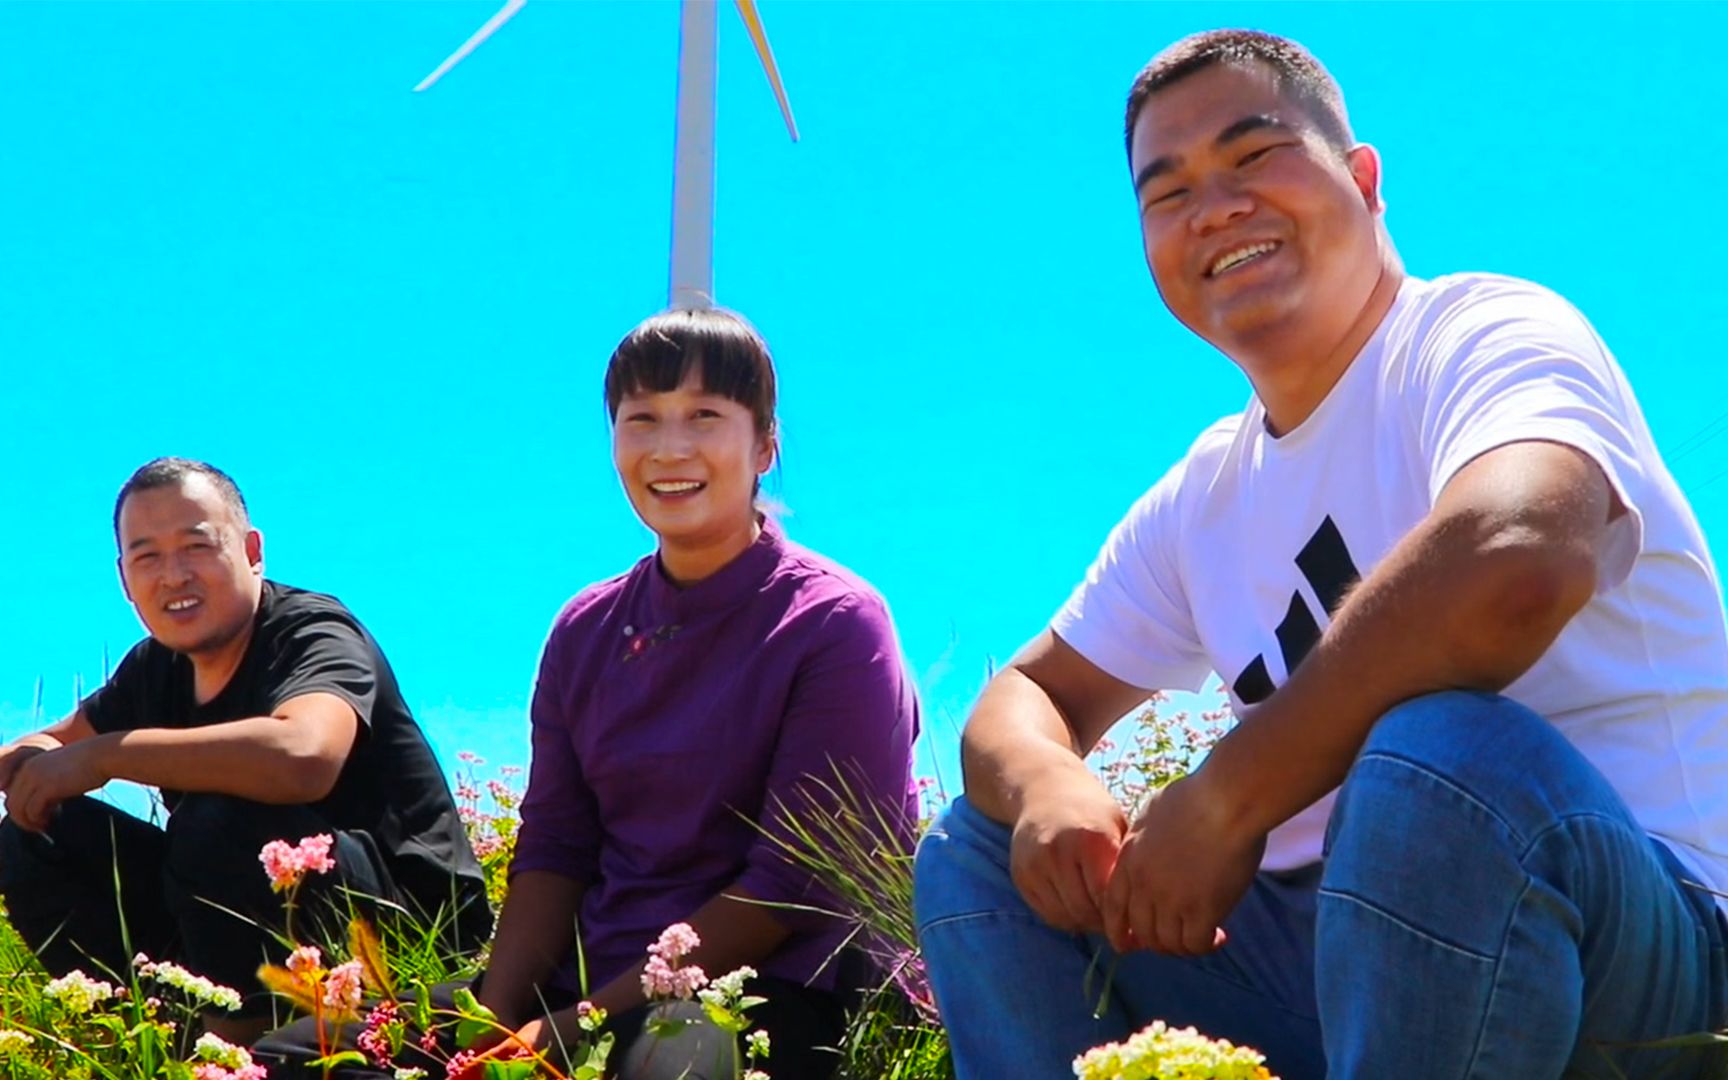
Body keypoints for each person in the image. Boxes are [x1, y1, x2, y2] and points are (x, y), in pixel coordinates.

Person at [914, 28, 1728, 1080]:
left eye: (1255, 158)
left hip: (1643, 953)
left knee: (1444, 760)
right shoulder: (1200, 497)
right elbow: (1028, 691)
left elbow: (1520, 555)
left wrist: (1229, 792)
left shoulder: (1483, 333)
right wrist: (1043, 787)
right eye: (1169, 194)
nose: (1215, 208)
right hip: (1336, 969)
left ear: (1364, 179)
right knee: (978, 850)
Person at [257, 306, 921, 1079]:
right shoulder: (586, 628)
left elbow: (789, 892)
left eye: (705, 416)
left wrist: (574, 1027)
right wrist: (494, 1021)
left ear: (765, 443)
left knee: (678, 1057)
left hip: (775, 995)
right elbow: (555, 847)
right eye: (642, 420)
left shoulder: (835, 624)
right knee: (299, 1058)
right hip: (584, 985)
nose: (670, 448)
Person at [0, 458, 491, 1045]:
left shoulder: (312, 631)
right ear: (125, 578)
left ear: (252, 550)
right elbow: (54, 743)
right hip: (247, 928)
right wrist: (32, 762)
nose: (174, 575)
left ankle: (247, 1053)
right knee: (37, 838)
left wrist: (105, 757)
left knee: (222, 818)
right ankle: (171, 1035)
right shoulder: (157, 668)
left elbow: (303, 756)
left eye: (196, 546)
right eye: (147, 556)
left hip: (400, 927)